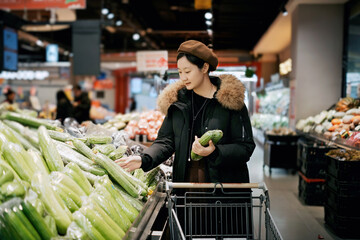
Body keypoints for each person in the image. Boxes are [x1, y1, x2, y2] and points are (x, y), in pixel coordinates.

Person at [117, 40, 256, 237]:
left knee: (223, 233)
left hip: (223, 188)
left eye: (188, 71)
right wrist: (143, 159)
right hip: (188, 188)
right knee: (190, 233)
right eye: (180, 72)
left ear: (205, 67)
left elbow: (246, 147)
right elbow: (165, 141)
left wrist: (215, 152)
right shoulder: (178, 103)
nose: (183, 77)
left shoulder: (230, 103)